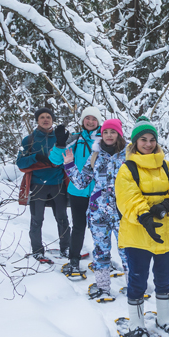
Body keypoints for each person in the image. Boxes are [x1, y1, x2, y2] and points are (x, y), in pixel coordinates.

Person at [115, 118, 169, 337]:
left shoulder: (167, 167)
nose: (148, 144)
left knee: (165, 278)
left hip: (166, 233)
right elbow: (127, 198)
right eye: (143, 139)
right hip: (138, 233)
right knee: (138, 279)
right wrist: (145, 216)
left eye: (151, 140)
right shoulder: (128, 168)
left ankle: (165, 319)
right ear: (135, 142)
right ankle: (136, 324)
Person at [63, 118, 128, 298]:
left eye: (112, 132)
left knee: (128, 251)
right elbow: (81, 182)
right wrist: (69, 164)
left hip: (123, 213)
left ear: (119, 134)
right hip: (98, 212)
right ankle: (103, 287)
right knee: (100, 250)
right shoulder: (95, 155)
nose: (108, 135)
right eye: (105, 132)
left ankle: (134, 287)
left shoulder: (129, 155)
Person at [49, 106, 102, 274]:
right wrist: (59, 144)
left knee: (100, 228)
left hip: (99, 193)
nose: (91, 121)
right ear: (83, 120)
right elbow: (55, 160)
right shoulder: (75, 139)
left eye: (94, 119)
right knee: (79, 226)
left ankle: (102, 260)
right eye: (88, 118)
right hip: (78, 192)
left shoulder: (106, 138)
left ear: (98, 122)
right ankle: (74, 260)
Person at [16, 107, 70, 263]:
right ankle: (37, 251)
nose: (46, 119)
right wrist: (35, 157)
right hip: (38, 185)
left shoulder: (61, 138)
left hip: (58, 184)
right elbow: (20, 162)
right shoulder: (29, 140)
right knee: (36, 219)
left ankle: (66, 248)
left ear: (52, 120)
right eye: (42, 117)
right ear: (37, 120)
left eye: (48, 117)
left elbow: (69, 159)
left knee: (62, 218)